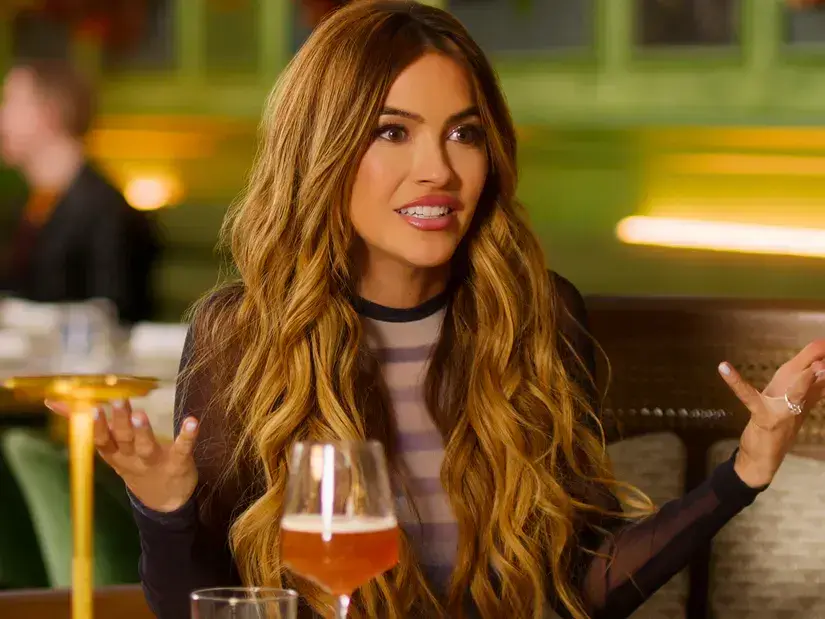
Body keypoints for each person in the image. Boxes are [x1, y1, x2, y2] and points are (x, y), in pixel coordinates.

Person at [48, 2, 825, 618]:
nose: (438, 170)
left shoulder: (538, 317)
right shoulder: (241, 334)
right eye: (392, 132)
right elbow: (205, 609)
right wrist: (166, 508)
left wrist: (743, 471)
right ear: (322, 148)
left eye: (464, 134)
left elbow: (579, 588)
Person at [0, 59, 160, 325]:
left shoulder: (106, 210)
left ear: (49, 113)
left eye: (11, 102)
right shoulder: (29, 205)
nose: (2, 116)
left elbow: (115, 312)